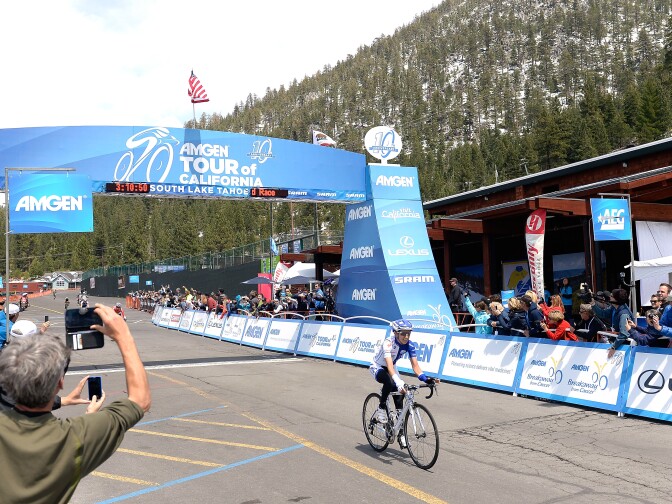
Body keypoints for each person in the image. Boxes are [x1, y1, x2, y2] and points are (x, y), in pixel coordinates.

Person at [0, 303, 151, 503]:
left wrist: (63, 402)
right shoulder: (73, 439)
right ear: (59, 383)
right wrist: (124, 337)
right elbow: (140, 401)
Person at [369, 319, 438, 449]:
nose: (406, 337)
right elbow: (389, 367)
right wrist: (398, 381)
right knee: (389, 383)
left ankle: (401, 434)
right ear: (395, 333)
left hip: (392, 369)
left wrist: (426, 379)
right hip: (378, 367)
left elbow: (415, 366)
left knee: (400, 399)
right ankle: (381, 408)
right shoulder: (388, 343)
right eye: (403, 334)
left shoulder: (410, 345)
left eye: (408, 334)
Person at [592, 288, 634, 358]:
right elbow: (603, 314)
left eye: (611, 296)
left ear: (616, 299)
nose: (609, 297)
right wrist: (592, 303)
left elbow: (624, 334)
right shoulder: (613, 307)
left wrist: (614, 347)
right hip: (616, 341)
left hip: (623, 345)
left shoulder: (624, 314)